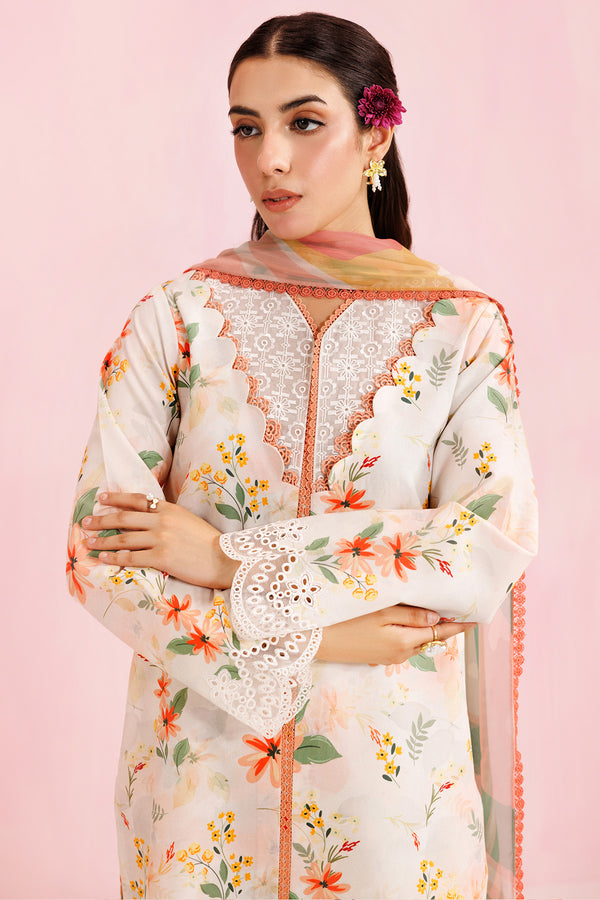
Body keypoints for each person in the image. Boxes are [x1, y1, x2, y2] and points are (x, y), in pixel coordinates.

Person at [67, 12, 537, 900]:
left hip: (393, 796)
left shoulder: (460, 329)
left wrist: (224, 558)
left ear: (376, 133)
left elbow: (479, 546)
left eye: (304, 122)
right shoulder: (179, 318)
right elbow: (103, 556)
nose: (270, 159)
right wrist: (321, 633)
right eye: (246, 128)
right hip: (201, 785)